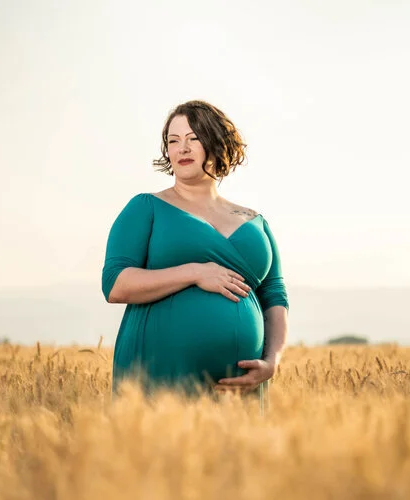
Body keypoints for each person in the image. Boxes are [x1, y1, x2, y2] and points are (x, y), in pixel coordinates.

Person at [101, 100, 289, 402]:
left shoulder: (255, 221)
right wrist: (194, 272)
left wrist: (272, 361)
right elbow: (115, 284)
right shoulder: (146, 208)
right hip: (161, 374)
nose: (182, 149)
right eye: (173, 141)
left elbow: (274, 295)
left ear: (217, 142)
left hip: (242, 384)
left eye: (193, 138)